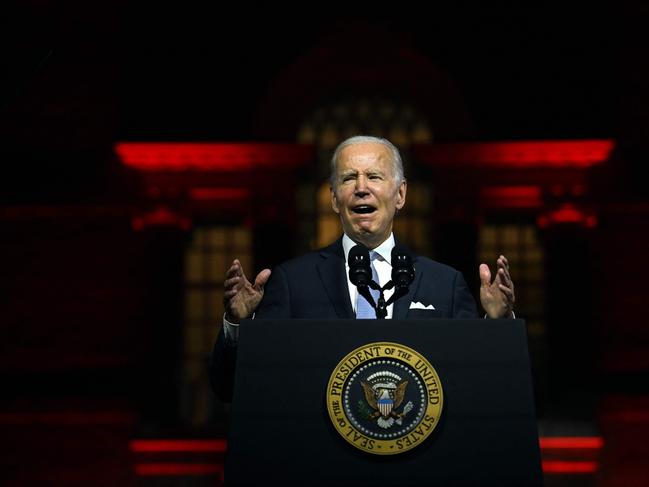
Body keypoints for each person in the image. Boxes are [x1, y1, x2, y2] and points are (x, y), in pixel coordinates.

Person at [209, 135, 515, 401]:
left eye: (375, 176)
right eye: (348, 178)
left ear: (400, 194)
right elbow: (231, 388)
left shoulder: (444, 284)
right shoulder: (292, 282)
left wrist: (497, 325)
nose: (361, 188)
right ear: (333, 198)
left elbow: (480, 385)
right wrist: (238, 326)